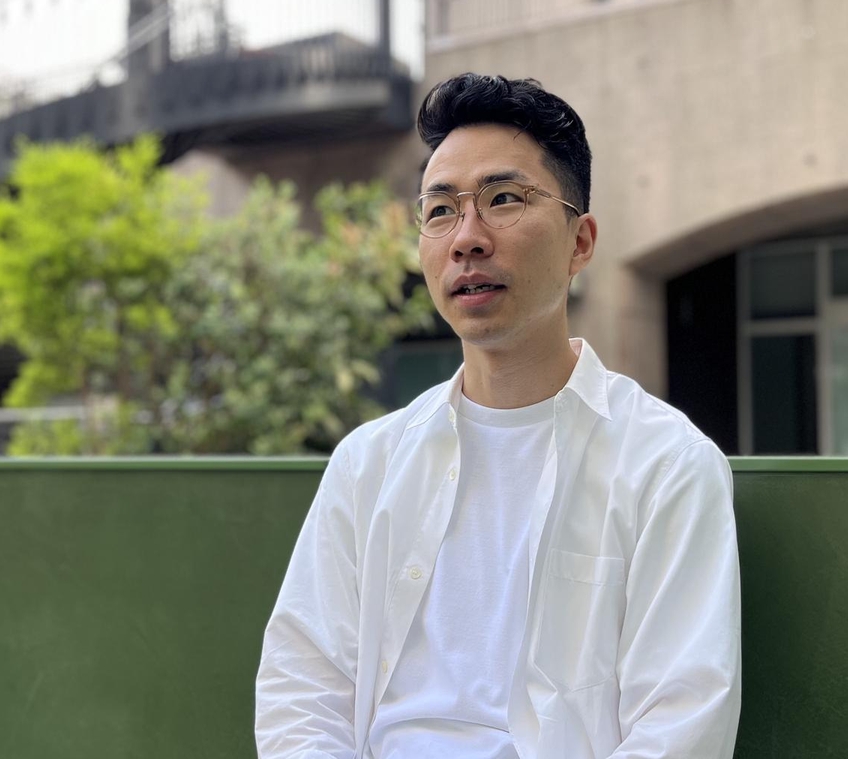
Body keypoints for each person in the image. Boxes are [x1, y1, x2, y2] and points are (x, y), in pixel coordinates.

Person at [255, 73, 741, 758]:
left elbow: (681, 726)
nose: (466, 239)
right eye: (440, 210)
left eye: (503, 199)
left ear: (580, 242)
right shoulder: (369, 463)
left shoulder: (666, 466)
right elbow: (302, 688)